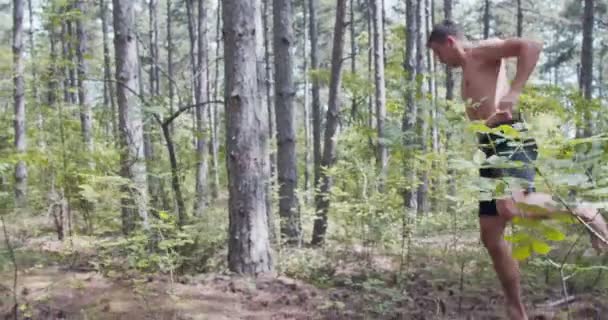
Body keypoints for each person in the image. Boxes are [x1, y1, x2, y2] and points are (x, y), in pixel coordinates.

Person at [426, 19, 608, 320]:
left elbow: (531, 46)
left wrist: (514, 92)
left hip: (508, 137)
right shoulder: (468, 67)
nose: (439, 61)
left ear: (449, 42)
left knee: (512, 206)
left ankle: (583, 210)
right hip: (490, 150)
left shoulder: (481, 51)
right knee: (491, 233)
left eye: (437, 53)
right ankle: (516, 309)